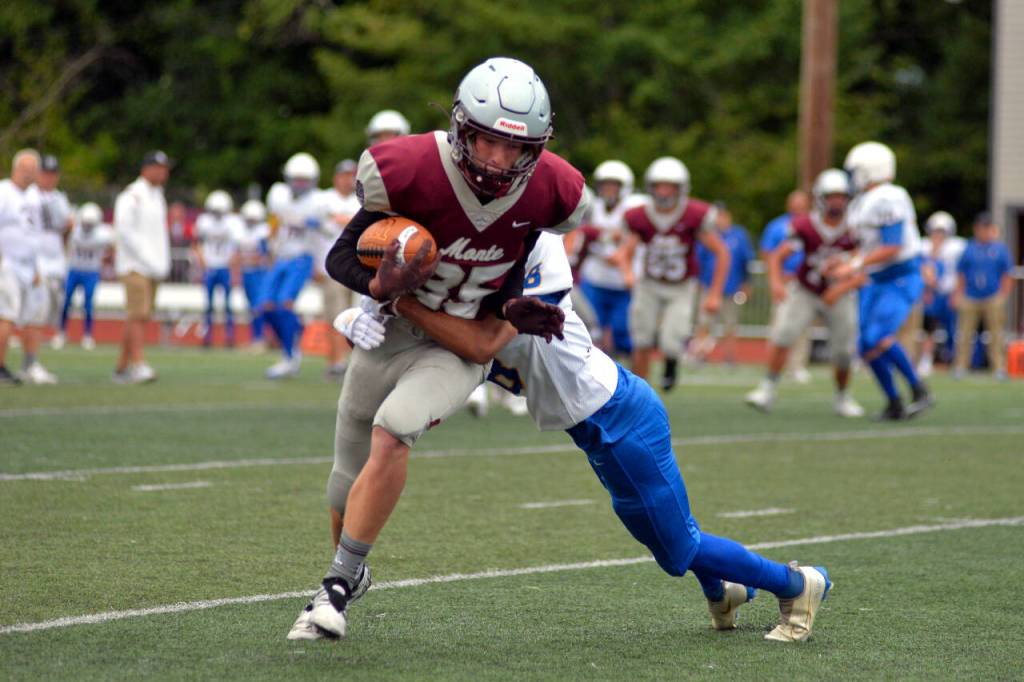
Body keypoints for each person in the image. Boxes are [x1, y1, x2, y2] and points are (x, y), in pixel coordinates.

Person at [327, 232, 832, 643]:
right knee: (667, 544)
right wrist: (364, 314)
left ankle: (796, 584)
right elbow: (435, 345)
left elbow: (472, 339)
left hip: (622, 417)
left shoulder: (523, 280)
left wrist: (391, 302)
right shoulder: (465, 299)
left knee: (679, 547)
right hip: (596, 431)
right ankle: (724, 592)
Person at [287, 57, 588, 641]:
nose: (500, 160)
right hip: (391, 332)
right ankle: (352, 567)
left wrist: (510, 308)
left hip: (456, 348)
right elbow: (340, 257)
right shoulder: (409, 169)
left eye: (514, 149)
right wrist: (374, 292)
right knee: (343, 479)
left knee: (394, 429)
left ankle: (335, 588)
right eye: (487, 142)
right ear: (460, 128)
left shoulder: (554, 191)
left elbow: (507, 277)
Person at [745, 169, 864, 417]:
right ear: (821, 198)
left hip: (839, 293)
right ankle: (767, 388)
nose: (837, 202)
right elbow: (777, 256)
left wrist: (840, 287)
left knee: (843, 352)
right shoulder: (805, 224)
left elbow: (865, 270)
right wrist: (776, 284)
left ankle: (842, 397)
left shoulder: (856, 228)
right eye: (832, 196)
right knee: (783, 335)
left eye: (842, 196)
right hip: (806, 289)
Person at [831, 142, 931, 420]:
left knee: (879, 337)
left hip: (899, 276)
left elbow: (893, 245)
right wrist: (844, 260)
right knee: (865, 345)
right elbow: (869, 246)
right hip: (876, 279)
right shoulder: (864, 201)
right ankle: (893, 401)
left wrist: (853, 265)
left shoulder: (887, 196)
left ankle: (919, 389)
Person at [616, 157, 730, 391]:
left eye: (670, 186)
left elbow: (722, 252)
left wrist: (715, 293)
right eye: (659, 185)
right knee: (642, 339)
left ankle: (670, 362)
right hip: (649, 283)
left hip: (681, 286)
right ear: (651, 186)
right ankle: (640, 393)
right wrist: (627, 272)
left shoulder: (694, 214)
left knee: (671, 341)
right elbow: (626, 251)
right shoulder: (640, 215)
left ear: (681, 189)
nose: (664, 191)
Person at [262, 152, 330, 379]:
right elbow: (273, 222)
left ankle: (291, 356)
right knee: (264, 306)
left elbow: (327, 233)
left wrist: (320, 263)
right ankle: (291, 342)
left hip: (302, 257)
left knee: (285, 304)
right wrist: (269, 248)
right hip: (281, 256)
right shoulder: (278, 195)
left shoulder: (319, 201)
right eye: (296, 179)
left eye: (305, 180)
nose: (300, 185)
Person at [112, 150, 171, 383]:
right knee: (138, 315)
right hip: (135, 265)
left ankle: (122, 366)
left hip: (153, 266)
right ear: (146, 168)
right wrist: (148, 259)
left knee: (140, 316)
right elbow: (125, 231)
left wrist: (160, 262)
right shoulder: (132, 195)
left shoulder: (157, 196)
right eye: (159, 167)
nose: (163, 172)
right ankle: (138, 363)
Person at [577, 160, 642, 356]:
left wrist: (621, 255)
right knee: (587, 330)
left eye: (614, 185)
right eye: (605, 185)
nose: (608, 190)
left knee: (623, 332)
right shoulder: (591, 207)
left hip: (623, 283)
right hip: (595, 278)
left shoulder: (634, 208)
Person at [0, 149, 52, 385]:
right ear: (14, 168)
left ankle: (29, 364)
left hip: (29, 266)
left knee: (33, 315)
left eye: (32, 170)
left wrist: (36, 267)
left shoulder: (34, 197)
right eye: (25, 169)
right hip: (7, 263)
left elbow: (34, 234)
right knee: (5, 316)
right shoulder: (3, 192)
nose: (28, 174)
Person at [951, 212, 1013, 380]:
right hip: (970, 296)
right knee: (964, 333)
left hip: (992, 296)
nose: (983, 231)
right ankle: (960, 366)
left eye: (986, 227)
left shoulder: (999, 249)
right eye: (981, 227)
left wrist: (1003, 295)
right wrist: (958, 294)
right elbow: (961, 273)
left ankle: (999, 367)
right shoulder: (969, 248)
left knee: (996, 333)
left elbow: (1007, 273)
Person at [691, 203, 754, 366]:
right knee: (704, 323)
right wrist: (699, 281)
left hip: (732, 288)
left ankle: (729, 358)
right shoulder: (707, 235)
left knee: (731, 324)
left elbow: (746, 261)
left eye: (722, 215)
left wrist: (747, 283)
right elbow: (699, 260)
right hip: (708, 286)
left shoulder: (739, 235)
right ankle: (700, 355)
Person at [761, 190, 813, 383]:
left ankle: (797, 365)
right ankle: (775, 365)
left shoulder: (814, 224)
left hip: (806, 282)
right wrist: (777, 279)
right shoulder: (777, 226)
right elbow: (768, 253)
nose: (798, 207)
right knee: (779, 324)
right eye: (795, 203)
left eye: (802, 203)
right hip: (785, 281)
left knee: (803, 326)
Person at [320, 159, 362, 379]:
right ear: (336, 177)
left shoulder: (360, 200)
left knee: (357, 317)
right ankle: (335, 361)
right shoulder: (325, 199)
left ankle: (349, 362)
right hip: (332, 267)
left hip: (357, 267)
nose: (348, 180)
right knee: (334, 317)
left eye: (351, 175)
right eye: (345, 175)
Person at [917, 211, 966, 376]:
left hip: (949, 293)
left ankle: (955, 361)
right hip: (930, 294)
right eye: (936, 231)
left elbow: (961, 271)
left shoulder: (956, 247)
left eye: (942, 232)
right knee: (928, 329)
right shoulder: (923, 246)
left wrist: (957, 293)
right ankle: (926, 359)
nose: (938, 235)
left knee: (954, 329)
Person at [60, 202, 114, 349]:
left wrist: (108, 258)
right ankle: (62, 332)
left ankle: (87, 335)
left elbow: (113, 245)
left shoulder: (103, 234)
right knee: (65, 302)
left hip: (91, 271)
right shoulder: (74, 231)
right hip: (74, 269)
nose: (87, 226)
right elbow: (62, 238)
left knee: (88, 304)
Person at [194, 190, 241, 347]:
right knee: (208, 305)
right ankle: (207, 337)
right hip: (210, 266)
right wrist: (202, 264)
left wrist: (232, 267)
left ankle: (230, 337)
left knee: (227, 305)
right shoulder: (204, 221)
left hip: (224, 267)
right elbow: (198, 244)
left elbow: (236, 248)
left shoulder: (232, 222)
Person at [37, 154, 73, 351]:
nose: (49, 178)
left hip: (55, 257)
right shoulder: (30, 195)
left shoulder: (60, 198)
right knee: (36, 302)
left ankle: (50, 332)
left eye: (53, 174)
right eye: (46, 173)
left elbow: (66, 229)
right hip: (35, 258)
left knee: (55, 301)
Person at [237, 199, 271, 351]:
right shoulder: (243, 232)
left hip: (259, 274)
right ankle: (256, 338)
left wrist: (248, 260)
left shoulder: (263, 232)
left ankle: (261, 338)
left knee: (259, 307)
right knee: (252, 308)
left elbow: (262, 256)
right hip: (247, 273)